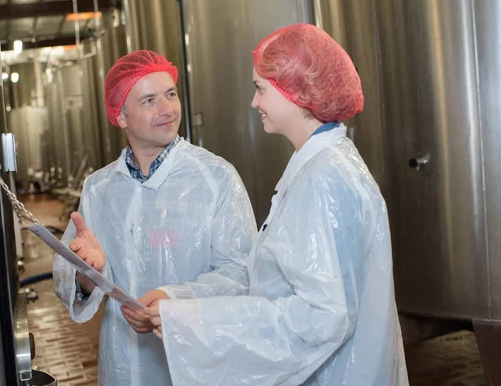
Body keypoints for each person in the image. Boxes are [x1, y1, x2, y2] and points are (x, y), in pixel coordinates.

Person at [146, 24, 409, 385]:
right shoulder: (323, 164)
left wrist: (196, 322)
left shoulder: (323, 179)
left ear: (297, 90)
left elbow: (319, 318)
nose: (254, 102)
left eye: (261, 89)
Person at [52, 50, 257, 386]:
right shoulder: (100, 188)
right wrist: (88, 273)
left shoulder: (215, 177)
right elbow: (73, 281)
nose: (167, 109)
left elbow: (241, 273)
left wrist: (172, 300)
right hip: (123, 362)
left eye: (171, 94)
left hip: (199, 363)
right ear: (121, 116)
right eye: (149, 100)